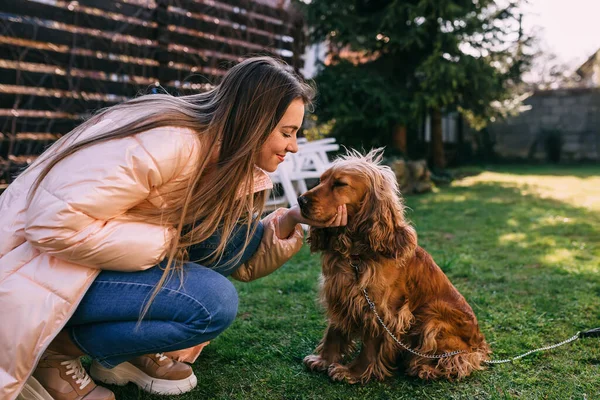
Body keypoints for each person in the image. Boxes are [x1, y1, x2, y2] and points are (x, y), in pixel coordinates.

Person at [0, 56, 348, 400]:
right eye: (286, 132)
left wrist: (290, 219)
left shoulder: (221, 160)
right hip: (31, 267)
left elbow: (238, 255)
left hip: (84, 260)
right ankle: (54, 354)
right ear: (253, 121)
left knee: (221, 240)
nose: (294, 145)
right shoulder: (166, 143)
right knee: (212, 303)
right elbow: (50, 225)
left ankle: (130, 352)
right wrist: (169, 239)